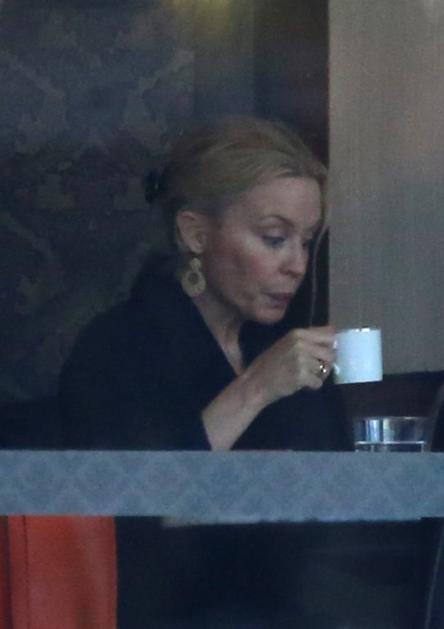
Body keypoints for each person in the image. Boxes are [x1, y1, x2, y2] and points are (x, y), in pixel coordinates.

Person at [59, 116, 351, 627]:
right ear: (195, 233)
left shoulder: (286, 350)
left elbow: (338, 514)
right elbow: (134, 510)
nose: (298, 265)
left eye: (307, 241)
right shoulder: (118, 348)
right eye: (274, 238)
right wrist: (254, 389)